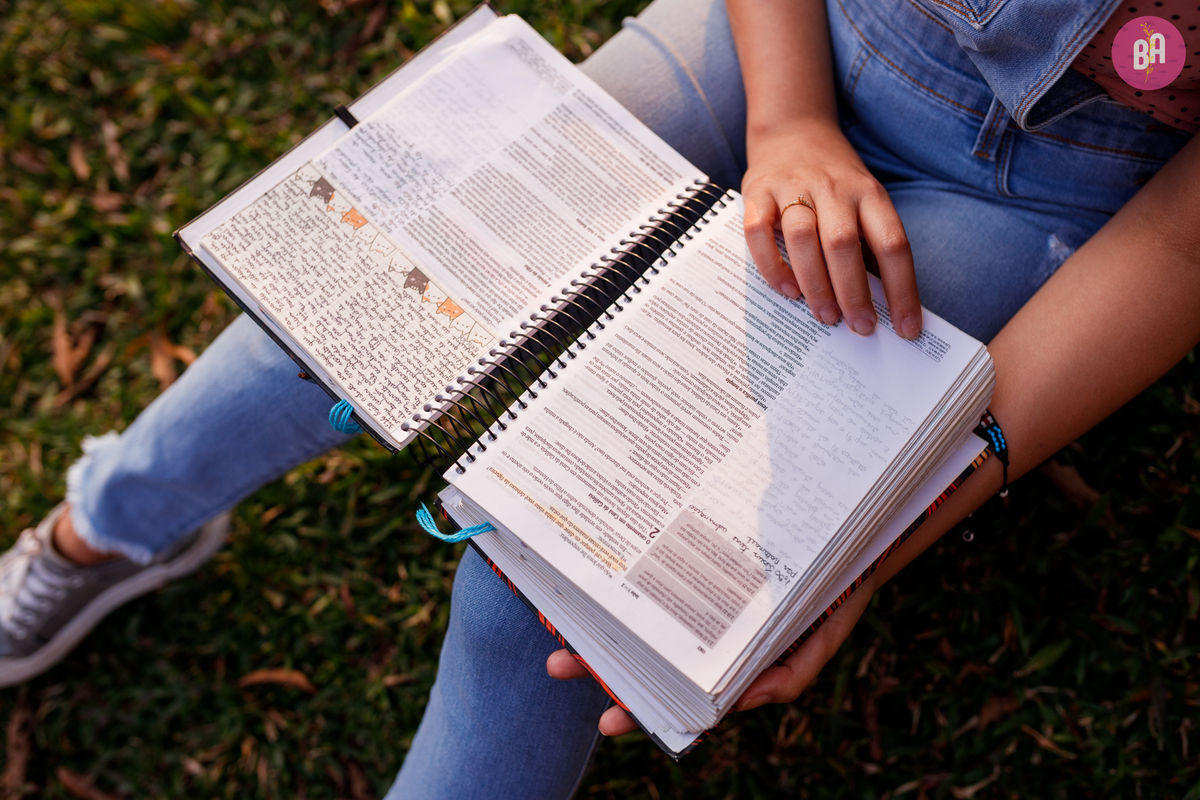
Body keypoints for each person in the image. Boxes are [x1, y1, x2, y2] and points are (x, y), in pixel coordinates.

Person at [2, 0, 1196, 797]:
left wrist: (879, 532)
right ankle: (104, 525)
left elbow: (1183, 253)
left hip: (1032, 201)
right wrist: (787, 119)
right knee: (369, 300)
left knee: (565, 591)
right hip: (789, 34)